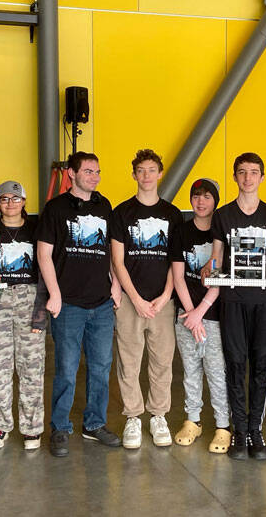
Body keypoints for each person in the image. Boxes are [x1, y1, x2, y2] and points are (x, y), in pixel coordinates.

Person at [203, 152, 266, 461]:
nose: (248, 177)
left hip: (265, 301)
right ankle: (239, 431)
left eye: (254, 172)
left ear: (262, 177)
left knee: (260, 366)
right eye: (242, 172)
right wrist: (209, 269)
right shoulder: (223, 216)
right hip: (232, 300)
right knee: (235, 364)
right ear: (234, 177)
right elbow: (216, 256)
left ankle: (256, 430)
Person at [36, 151, 123, 457]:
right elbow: (44, 254)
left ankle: (94, 424)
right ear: (71, 174)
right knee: (66, 368)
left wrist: (115, 284)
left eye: (97, 172)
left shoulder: (104, 205)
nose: (94, 177)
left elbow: (110, 251)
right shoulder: (55, 208)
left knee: (101, 367)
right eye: (88, 171)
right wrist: (54, 294)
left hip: (101, 304)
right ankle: (60, 427)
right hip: (68, 305)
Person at [110, 149, 182, 449]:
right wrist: (135, 298)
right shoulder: (121, 213)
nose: (147, 175)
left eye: (152, 170)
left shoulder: (172, 214)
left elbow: (175, 262)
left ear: (160, 173)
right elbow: (117, 261)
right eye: (141, 170)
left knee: (162, 362)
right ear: (134, 175)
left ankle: (158, 415)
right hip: (131, 302)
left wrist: (165, 296)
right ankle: (133, 417)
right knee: (128, 362)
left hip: (162, 302)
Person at [0, 180, 46, 451]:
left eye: (16, 198)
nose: (10, 203)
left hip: (29, 300)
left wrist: (40, 313)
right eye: (5, 199)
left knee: (32, 367)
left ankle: (32, 428)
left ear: (24, 202)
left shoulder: (37, 229)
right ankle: (0, 425)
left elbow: (45, 271)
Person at [170, 178, 231, 453]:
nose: (201, 201)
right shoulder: (181, 232)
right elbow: (178, 277)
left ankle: (223, 426)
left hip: (213, 313)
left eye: (207, 196)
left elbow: (221, 278)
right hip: (186, 315)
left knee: (216, 371)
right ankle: (193, 420)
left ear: (215, 201)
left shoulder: (222, 234)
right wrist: (190, 314)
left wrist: (201, 311)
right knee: (191, 370)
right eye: (196, 196)